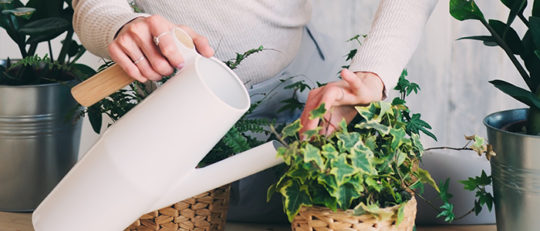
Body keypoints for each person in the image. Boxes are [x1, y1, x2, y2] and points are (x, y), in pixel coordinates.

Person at [73, 0, 438, 223]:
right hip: (168, 122)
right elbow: (94, 4)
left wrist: (372, 74)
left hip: (303, 102)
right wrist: (121, 26)